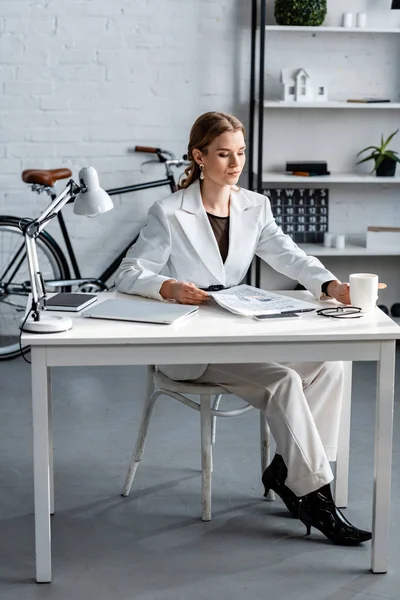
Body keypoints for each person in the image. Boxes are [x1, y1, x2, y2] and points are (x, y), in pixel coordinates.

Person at [115, 111, 371, 545]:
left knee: (332, 363)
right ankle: (317, 499)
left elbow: (289, 255)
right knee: (283, 380)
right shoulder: (169, 211)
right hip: (191, 347)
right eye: (223, 154)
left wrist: (330, 285)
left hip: (238, 330)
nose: (235, 164)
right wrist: (169, 286)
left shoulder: (256, 205)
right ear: (198, 156)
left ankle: (289, 471)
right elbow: (127, 273)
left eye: (241, 153)